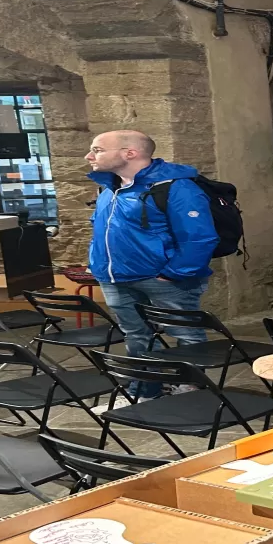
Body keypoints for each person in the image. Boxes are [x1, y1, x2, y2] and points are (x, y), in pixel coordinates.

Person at [86, 130, 219, 397]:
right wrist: (97, 264)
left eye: (98, 150)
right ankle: (146, 391)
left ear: (130, 153)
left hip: (163, 279)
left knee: (186, 334)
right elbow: (101, 230)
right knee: (136, 337)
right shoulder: (110, 188)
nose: (89, 156)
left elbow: (199, 237)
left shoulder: (176, 187)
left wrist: (171, 275)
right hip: (115, 278)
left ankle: (192, 393)